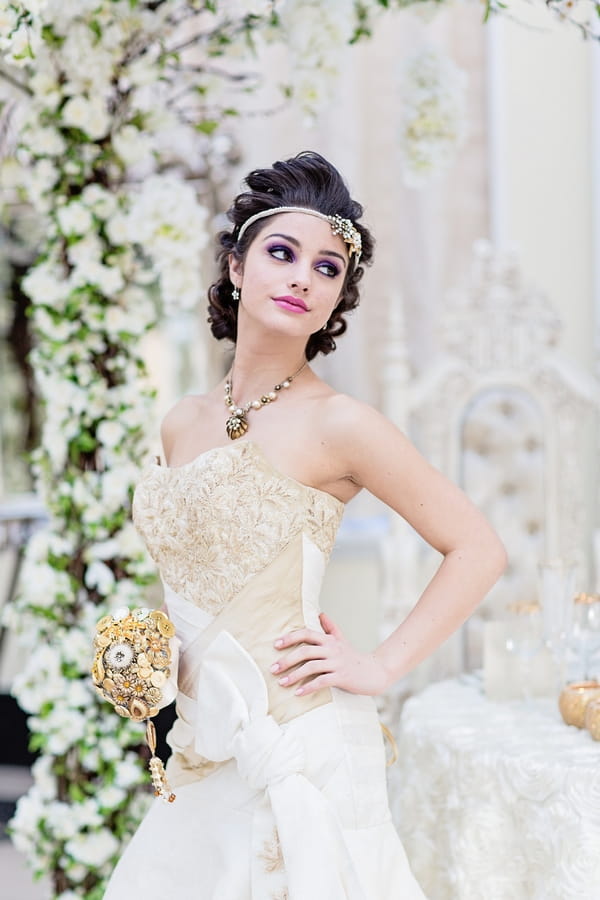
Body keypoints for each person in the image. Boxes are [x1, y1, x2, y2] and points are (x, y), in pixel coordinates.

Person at [103, 150, 507, 899]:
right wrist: (157, 690)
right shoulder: (180, 422)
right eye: (282, 253)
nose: (301, 277)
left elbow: (478, 548)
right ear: (236, 266)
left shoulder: (341, 425)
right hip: (200, 745)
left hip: (299, 742)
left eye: (327, 269)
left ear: (336, 301)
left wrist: (381, 666)